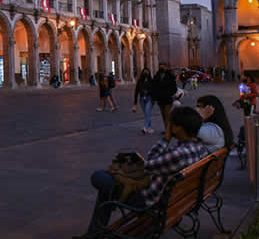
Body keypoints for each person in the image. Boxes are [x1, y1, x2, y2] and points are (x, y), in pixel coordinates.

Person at [73, 107, 209, 239]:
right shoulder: (200, 148)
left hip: (148, 200)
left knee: (98, 177)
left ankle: (94, 233)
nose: (168, 125)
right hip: (176, 199)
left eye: (170, 123)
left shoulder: (179, 154)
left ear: (178, 128)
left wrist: (165, 139)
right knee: (108, 187)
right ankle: (94, 232)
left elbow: (148, 164)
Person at [152, 63, 176, 133]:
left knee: (167, 114)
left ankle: (168, 130)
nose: (162, 68)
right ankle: (166, 129)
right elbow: (154, 87)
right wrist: (155, 97)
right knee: (163, 115)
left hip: (168, 98)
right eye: (160, 67)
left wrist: (170, 93)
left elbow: (174, 87)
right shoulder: (157, 76)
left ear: (166, 67)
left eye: (163, 67)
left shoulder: (170, 76)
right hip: (160, 99)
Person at [133, 67, 154, 134]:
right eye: (144, 72)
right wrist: (135, 103)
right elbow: (136, 91)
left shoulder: (151, 81)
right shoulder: (140, 81)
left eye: (147, 72)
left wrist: (154, 100)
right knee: (146, 114)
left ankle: (145, 128)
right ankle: (149, 127)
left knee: (147, 112)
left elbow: (154, 91)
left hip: (149, 98)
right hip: (142, 99)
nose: (146, 73)